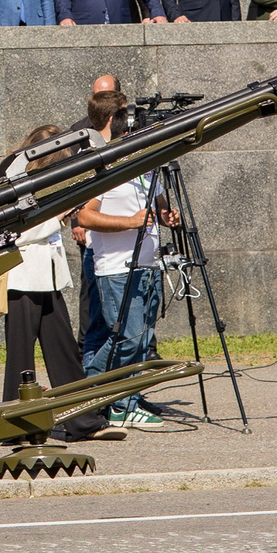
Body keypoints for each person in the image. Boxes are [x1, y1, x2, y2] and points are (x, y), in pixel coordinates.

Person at [76, 106, 173, 433]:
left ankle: (126, 399)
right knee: (128, 338)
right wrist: (130, 222)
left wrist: (166, 214)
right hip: (117, 268)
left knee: (142, 340)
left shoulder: (148, 168)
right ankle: (88, 391)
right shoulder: (107, 169)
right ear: (128, 134)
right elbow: (85, 218)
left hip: (148, 264)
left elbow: (158, 205)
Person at [0, 124, 94, 429]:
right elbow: (15, 235)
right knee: (20, 361)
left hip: (46, 279)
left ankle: (83, 420)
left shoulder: (36, 180)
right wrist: (59, 216)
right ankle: (17, 425)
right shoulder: (14, 182)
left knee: (64, 353)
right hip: (23, 281)